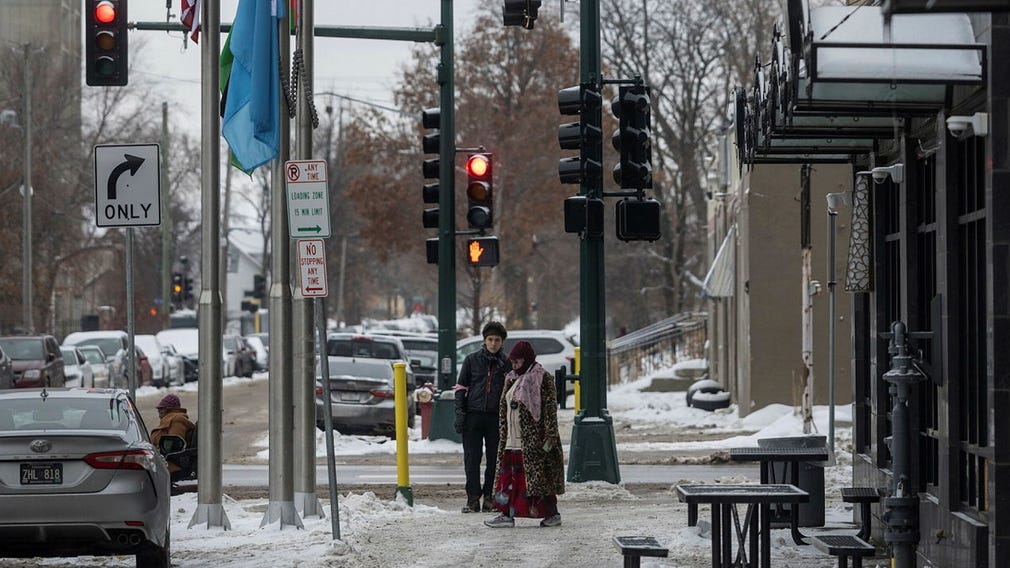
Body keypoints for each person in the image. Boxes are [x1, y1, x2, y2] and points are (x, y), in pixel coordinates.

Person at [484, 340, 565, 528]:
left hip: (532, 440)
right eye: (512, 362)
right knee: (508, 479)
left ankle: (552, 513)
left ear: (527, 360)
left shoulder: (542, 378)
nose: (514, 366)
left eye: (518, 362)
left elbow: (550, 409)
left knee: (536, 481)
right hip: (511, 439)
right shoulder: (511, 378)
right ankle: (505, 514)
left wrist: (550, 436)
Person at [455, 321, 510, 513]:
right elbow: (461, 388)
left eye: (497, 340)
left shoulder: (507, 363)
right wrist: (460, 415)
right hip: (473, 416)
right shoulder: (471, 360)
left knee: (495, 459)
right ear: (484, 340)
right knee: (472, 459)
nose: (493, 343)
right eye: (490, 339)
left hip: (496, 418)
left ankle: (489, 497)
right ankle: (472, 498)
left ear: (502, 342)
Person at [150, 394, 195, 473]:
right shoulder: (170, 420)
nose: (159, 411)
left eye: (161, 408)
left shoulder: (177, 420)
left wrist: (157, 450)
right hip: (163, 459)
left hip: (172, 462)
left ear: (169, 409)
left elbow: (172, 445)